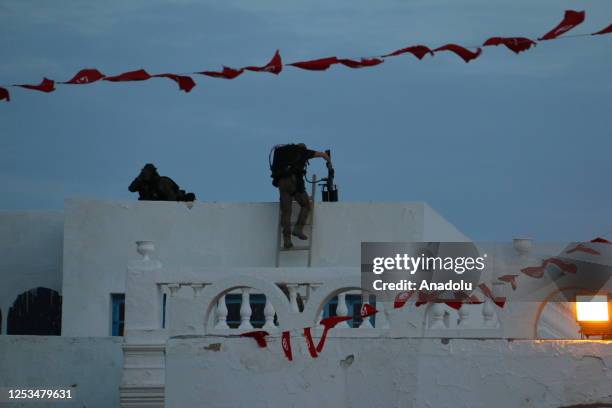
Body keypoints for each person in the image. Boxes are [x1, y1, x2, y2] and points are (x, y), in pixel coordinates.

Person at [270, 143, 331, 249]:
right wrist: (327, 158)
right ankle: (298, 229)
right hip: (293, 182)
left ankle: (287, 241)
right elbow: (319, 154)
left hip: (281, 183)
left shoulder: (283, 153)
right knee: (306, 205)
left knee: (286, 211)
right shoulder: (301, 151)